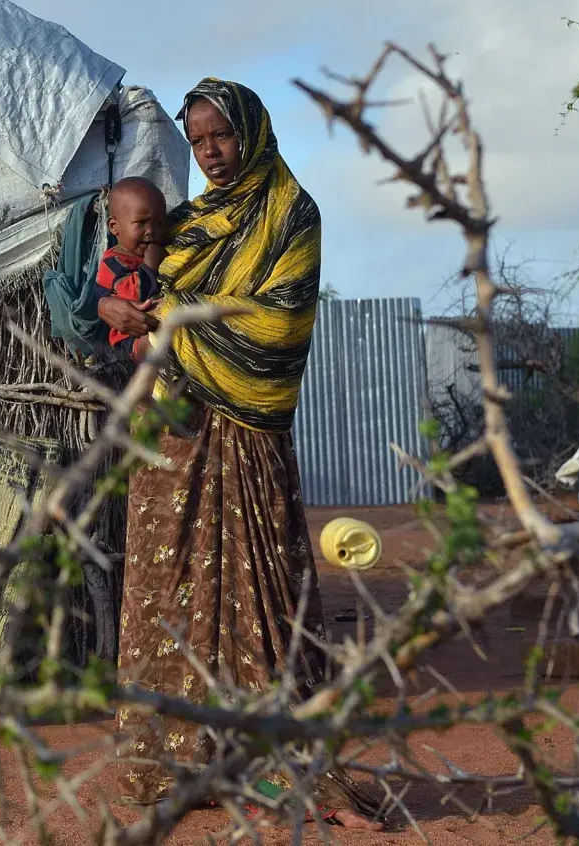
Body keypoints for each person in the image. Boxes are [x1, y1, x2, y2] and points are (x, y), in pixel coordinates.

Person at [98, 78, 384, 830]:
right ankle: (174, 762)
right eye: (197, 141)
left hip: (249, 433)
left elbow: (279, 326)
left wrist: (171, 322)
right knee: (167, 587)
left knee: (264, 594)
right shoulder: (182, 222)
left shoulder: (292, 214)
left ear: (250, 130)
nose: (210, 152)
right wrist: (117, 306)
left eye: (220, 135)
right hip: (175, 431)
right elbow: (108, 283)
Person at [97, 177, 167, 364]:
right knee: (161, 346)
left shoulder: (162, 247)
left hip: (154, 324)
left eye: (159, 223)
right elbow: (132, 293)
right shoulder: (112, 262)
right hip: (129, 339)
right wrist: (150, 266)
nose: (151, 231)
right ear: (114, 226)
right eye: (141, 222)